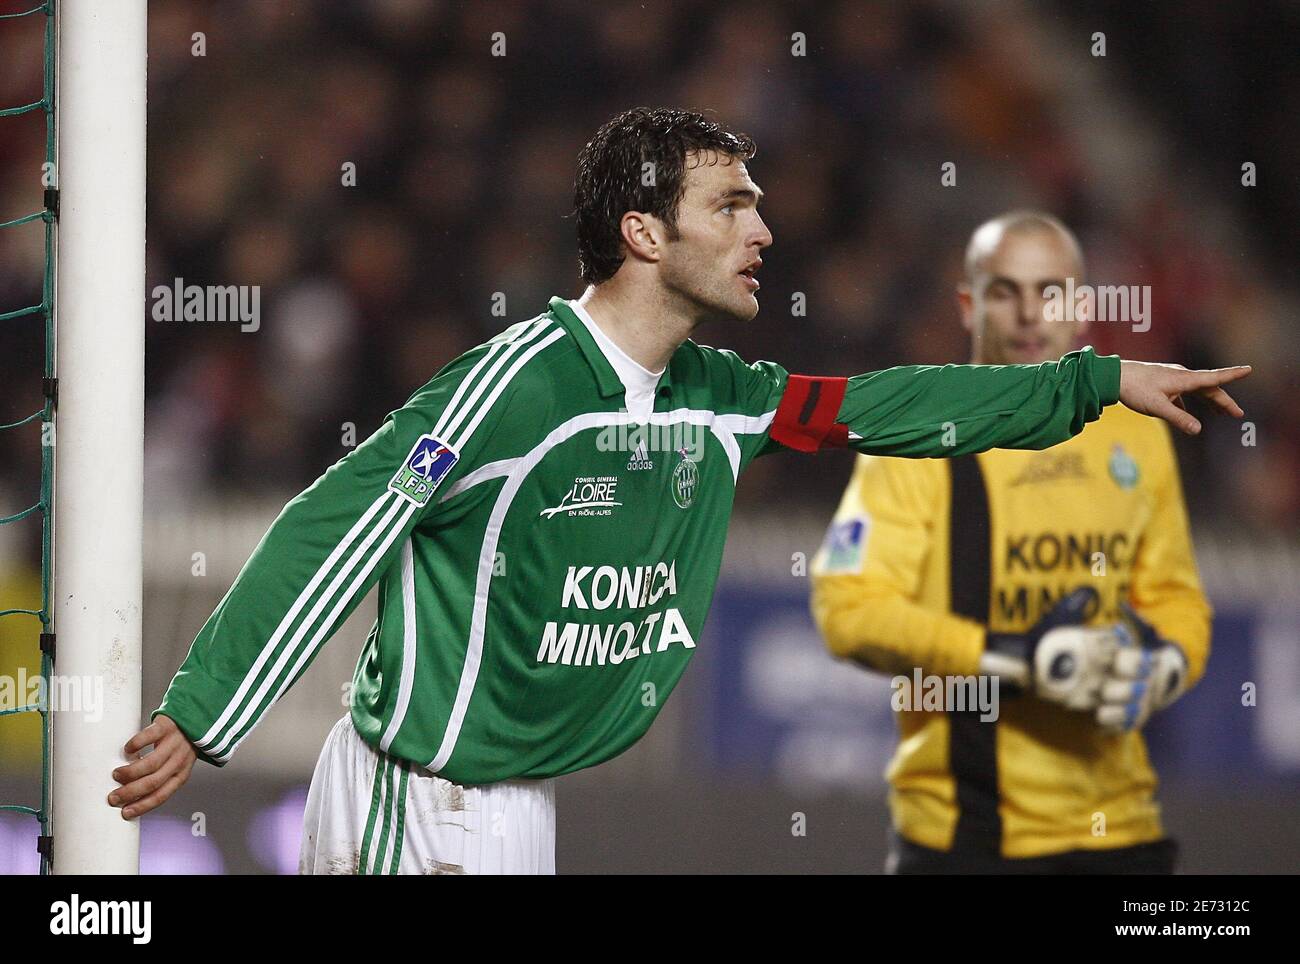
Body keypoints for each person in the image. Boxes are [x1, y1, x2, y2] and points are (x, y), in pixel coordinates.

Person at [111, 111, 1248, 874]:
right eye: (732, 208)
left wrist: (1092, 382)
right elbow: (345, 520)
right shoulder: (519, 387)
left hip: (515, 810)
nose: (762, 231)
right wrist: (209, 710)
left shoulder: (720, 396)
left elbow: (884, 408)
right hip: (421, 803)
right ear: (642, 232)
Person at [811, 211, 1213, 874]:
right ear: (969, 306)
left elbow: (1175, 596)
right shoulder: (919, 436)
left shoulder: (1136, 432)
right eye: (1005, 291)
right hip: (967, 840)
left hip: (1120, 831)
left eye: (1050, 291)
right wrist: (1016, 661)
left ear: (1083, 306)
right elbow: (849, 612)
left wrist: (1164, 665)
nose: (1029, 314)